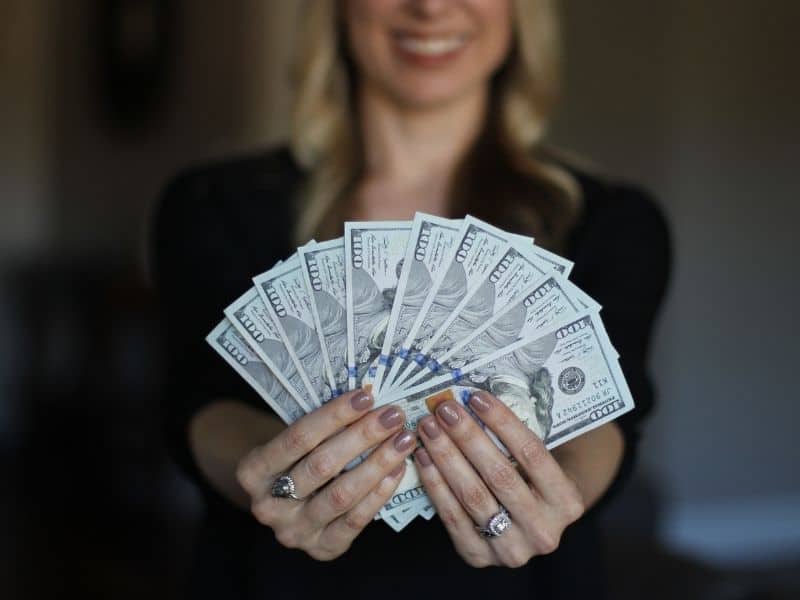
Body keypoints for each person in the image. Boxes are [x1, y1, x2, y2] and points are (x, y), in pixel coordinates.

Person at [151, 1, 671, 598]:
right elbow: (199, 404)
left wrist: (562, 489)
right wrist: (274, 471)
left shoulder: (612, 221)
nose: (429, 6)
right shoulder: (212, 204)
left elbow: (608, 419)